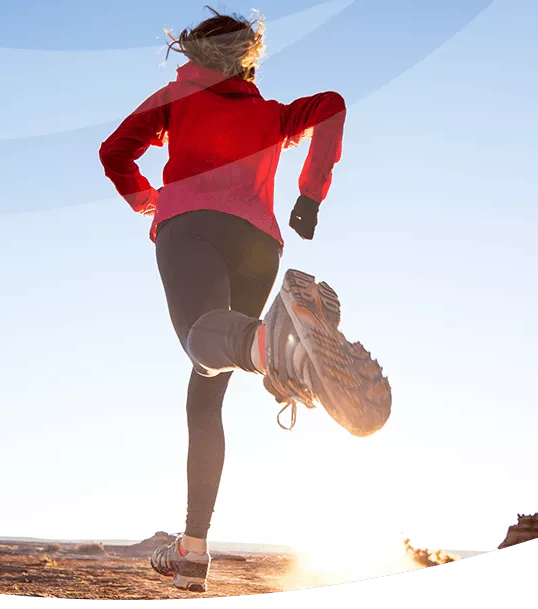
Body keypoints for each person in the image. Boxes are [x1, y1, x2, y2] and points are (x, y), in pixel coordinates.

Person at [97, 7, 392, 593]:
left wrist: (151, 201)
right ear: (246, 57)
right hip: (260, 243)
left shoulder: (174, 99)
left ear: (192, 53)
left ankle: (282, 348)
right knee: (207, 389)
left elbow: (114, 153)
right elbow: (331, 104)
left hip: (192, 227)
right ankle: (191, 550)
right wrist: (310, 195)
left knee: (203, 343)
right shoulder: (269, 115)